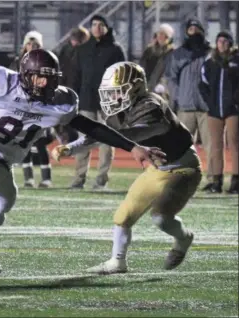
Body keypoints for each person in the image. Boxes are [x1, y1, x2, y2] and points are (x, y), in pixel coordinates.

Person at [0, 49, 166, 278]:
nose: (44, 83)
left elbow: (92, 127)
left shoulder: (61, 103)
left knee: (0, 209)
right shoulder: (1, 84)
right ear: (26, 75)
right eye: (39, 77)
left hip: (5, 161)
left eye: (49, 78)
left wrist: (133, 147)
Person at [53, 62, 201, 274]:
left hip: (183, 167)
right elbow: (100, 135)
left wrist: (121, 140)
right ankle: (117, 261)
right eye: (110, 93)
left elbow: (144, 131)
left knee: (160, 218)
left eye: (119, 92)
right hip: (156, 168)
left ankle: (183, 238)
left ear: (136, 88)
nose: (113, 98)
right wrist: (71, 147)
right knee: (123, 216)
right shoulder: (119, 112)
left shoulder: (151, 105)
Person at [70, 14, 126, 190]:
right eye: (94, 24)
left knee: (106, 143)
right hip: (85, 101)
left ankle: (101, 181)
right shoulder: (83, 50)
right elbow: (76, 76)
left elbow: (122, 76)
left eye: (101, 24)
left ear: (107, 28)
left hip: (107, 103)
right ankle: (78, 180)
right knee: (82, 142)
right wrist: (73, 99)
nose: (97, 27)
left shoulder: (116, 50)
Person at [165, 18, 212, 189]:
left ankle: (213, 179)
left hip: (207, 108)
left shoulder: (210, 53)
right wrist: (178, 97)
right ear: (186, 32)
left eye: (196, 29)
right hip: (185, 107)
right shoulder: (178, 54)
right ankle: (179, 178)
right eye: (190, 29)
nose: (193, 32)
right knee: (181, 146)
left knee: (211, 145)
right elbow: (171, 78)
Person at [9, 31, 54, 188]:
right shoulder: (17, 62)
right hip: (22, 105)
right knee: (24, 141)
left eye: (35, 44)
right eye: (29, 43)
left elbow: (52, 83)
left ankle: (46, 178)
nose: (32, 47)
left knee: (41, 142)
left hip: (39, 104)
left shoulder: (47, 61)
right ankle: (28, 178)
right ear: (24, 45)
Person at [199, 30, 239, 194]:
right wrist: (210, 102)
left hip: (233, 110)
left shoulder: (236, 61)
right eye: (219, 41)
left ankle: (236, 181)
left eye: (225, 41)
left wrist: (236, 100)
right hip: (214, 110)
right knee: (215, 146)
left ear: (230, 43)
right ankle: (216, 181)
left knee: (235, 144)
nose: (221, 44)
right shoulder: (210, 62)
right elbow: (203, 84)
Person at [139, 23, 174, 101]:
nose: (160, 37)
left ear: (168, 37)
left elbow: (170, 72)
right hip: (147, 88)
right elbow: (141, 67)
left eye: (163, 35)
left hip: (162, 91)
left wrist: (163, 84)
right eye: (159, 34)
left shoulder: (172, 52)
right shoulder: (149, 50)